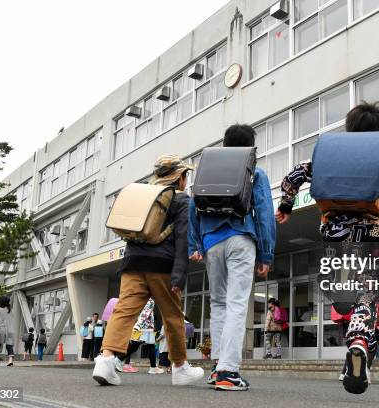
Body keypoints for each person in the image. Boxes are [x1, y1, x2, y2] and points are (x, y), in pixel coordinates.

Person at [275, 102, 379, 394]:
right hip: (372, 235)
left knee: (344, 297)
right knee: (367, 295)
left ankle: (355, 343)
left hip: (335, 236)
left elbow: (294, 176)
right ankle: (360, 340)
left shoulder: (331, 154)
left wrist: (286, 205)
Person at [92, 155, 203, 386]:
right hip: (162, 266)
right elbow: (183, 238)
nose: (185, 181)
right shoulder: (182, 200)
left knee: (123, 311)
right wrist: (179, 274)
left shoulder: (144, 195)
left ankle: (105, 360)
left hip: (132, 262)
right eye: (185, 176)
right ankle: (180, 368)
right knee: (172, 316)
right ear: (179, 178)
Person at [189, 124, 276, 391]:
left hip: (211, 243)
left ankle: (217, 367)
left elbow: (194, 208)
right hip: (240, 239)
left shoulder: (207, 171)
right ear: (251, 147)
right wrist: (266, 252)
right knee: (237, 304)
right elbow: (263, 213)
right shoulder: (254, 172)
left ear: (225, 144)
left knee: (218, 304)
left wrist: (196, 244)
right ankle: (229, 371)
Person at [117, 298, 163, 374]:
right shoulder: (149, 299)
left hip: (144, 327)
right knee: (137, 346)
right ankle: (117, 360)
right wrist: (137, 327)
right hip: (144, 327)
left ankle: (153, 367)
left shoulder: (144, 298)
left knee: (137, 346)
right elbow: (145, 313)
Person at [0, 296, 15, 367]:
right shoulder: (10, 310)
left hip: (0, 329)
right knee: (9, 345)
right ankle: (10, 360)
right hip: (10, 329)